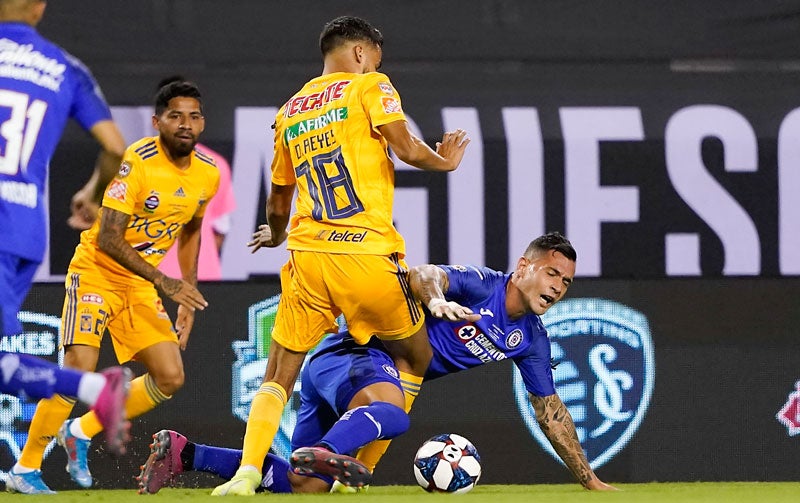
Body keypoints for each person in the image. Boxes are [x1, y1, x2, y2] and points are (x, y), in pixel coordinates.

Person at [211, 15, 470, 496]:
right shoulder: (370, 85)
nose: (377, 63)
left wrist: (274, 235)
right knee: (415, 356)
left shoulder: (289, 110)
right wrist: (446, 162)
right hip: (366, 254)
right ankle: (357, 475)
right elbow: (406, 146)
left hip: (307, 255)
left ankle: (247, 472)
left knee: (278, 374)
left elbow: (278, 198)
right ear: (359, 52)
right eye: (375, 55)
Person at [139, 233, 616, 493]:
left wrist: (588, 479)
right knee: (395, 414)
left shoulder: (530, 339)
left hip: (349, 383)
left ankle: (187, 454)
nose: (557, 287)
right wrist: (434, 302)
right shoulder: (480, 283)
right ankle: (326, 448)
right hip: (354, 354)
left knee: (304, 486)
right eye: (552, 272)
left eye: (567, 282)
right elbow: (422, 274)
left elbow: (550, 411)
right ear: (525, 265)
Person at [9, 80, 219, 494]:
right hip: (96, 272)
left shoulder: (207, 174)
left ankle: (81, 432)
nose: (185, 124)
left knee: (170, 376)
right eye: (175, 116)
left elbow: (192, 228)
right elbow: (108, 237)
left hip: (139, 284)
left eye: (194, 116)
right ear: (158, 121)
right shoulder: (136, 161)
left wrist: (187, 296)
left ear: (202, 123)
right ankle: (25, 468)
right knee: (79, 367)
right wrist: (165, 280)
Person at [0, 0, 133, 493]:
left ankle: (92, 388)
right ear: (39, 8)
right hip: (21, 232)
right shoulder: (64, 67)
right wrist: (90, 192)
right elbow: (117, 147)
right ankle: (94, 388)